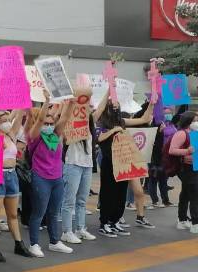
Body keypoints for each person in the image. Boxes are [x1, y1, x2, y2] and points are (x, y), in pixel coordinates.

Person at [94, 90, 155, 238]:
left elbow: (145, 119)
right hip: (109, 162)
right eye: (113, 104)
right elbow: (99, 138)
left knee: (120, 194)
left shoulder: (121, 121)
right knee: (108, 192)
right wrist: (114, 130)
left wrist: (152, 103)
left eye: (117, 105)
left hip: (123, 162)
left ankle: (115, 221)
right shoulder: (100, 121)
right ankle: (105, 223)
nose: (116, 107)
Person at [25, 90, 74, 257]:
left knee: (54, 212)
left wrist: (71, 102)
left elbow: (65, 118)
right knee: (39, 212)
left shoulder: (55, 135)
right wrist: (46, 102)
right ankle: (34, 244)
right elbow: (38, 120)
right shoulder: (34, 137)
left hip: (57, 179)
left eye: (50, 123)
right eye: (45, 123)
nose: (48, 126)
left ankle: (54, 241)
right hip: (40, 178)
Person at [0, 105, 34, 261]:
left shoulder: (11, 135)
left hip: (12, 176)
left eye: (8, 120)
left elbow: (18, 116)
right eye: (3, 120)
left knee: (12, 214)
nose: (7, 123)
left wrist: (22, 101)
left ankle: (19, 244)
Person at [59, 98, 98, 245]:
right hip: (73, 164)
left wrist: (110, 87)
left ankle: (80, 228)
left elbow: (99, 109)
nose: (89, 108)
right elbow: (63, 118)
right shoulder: (70, 124)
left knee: (82, 200)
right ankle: (66, 232)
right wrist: (68, 104)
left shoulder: (90, 125)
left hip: (87, 165)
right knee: (69, 200)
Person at [168, 111, 198, 234]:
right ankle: (195, 223)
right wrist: (186, 152)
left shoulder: (195, 133)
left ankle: (182, 220)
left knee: (186, 193)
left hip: (194, 167)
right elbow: (172, 150)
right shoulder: (181, 133)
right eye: (195, 120)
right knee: (195, 195)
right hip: (186, 169)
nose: (196, 122)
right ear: (188, 121)